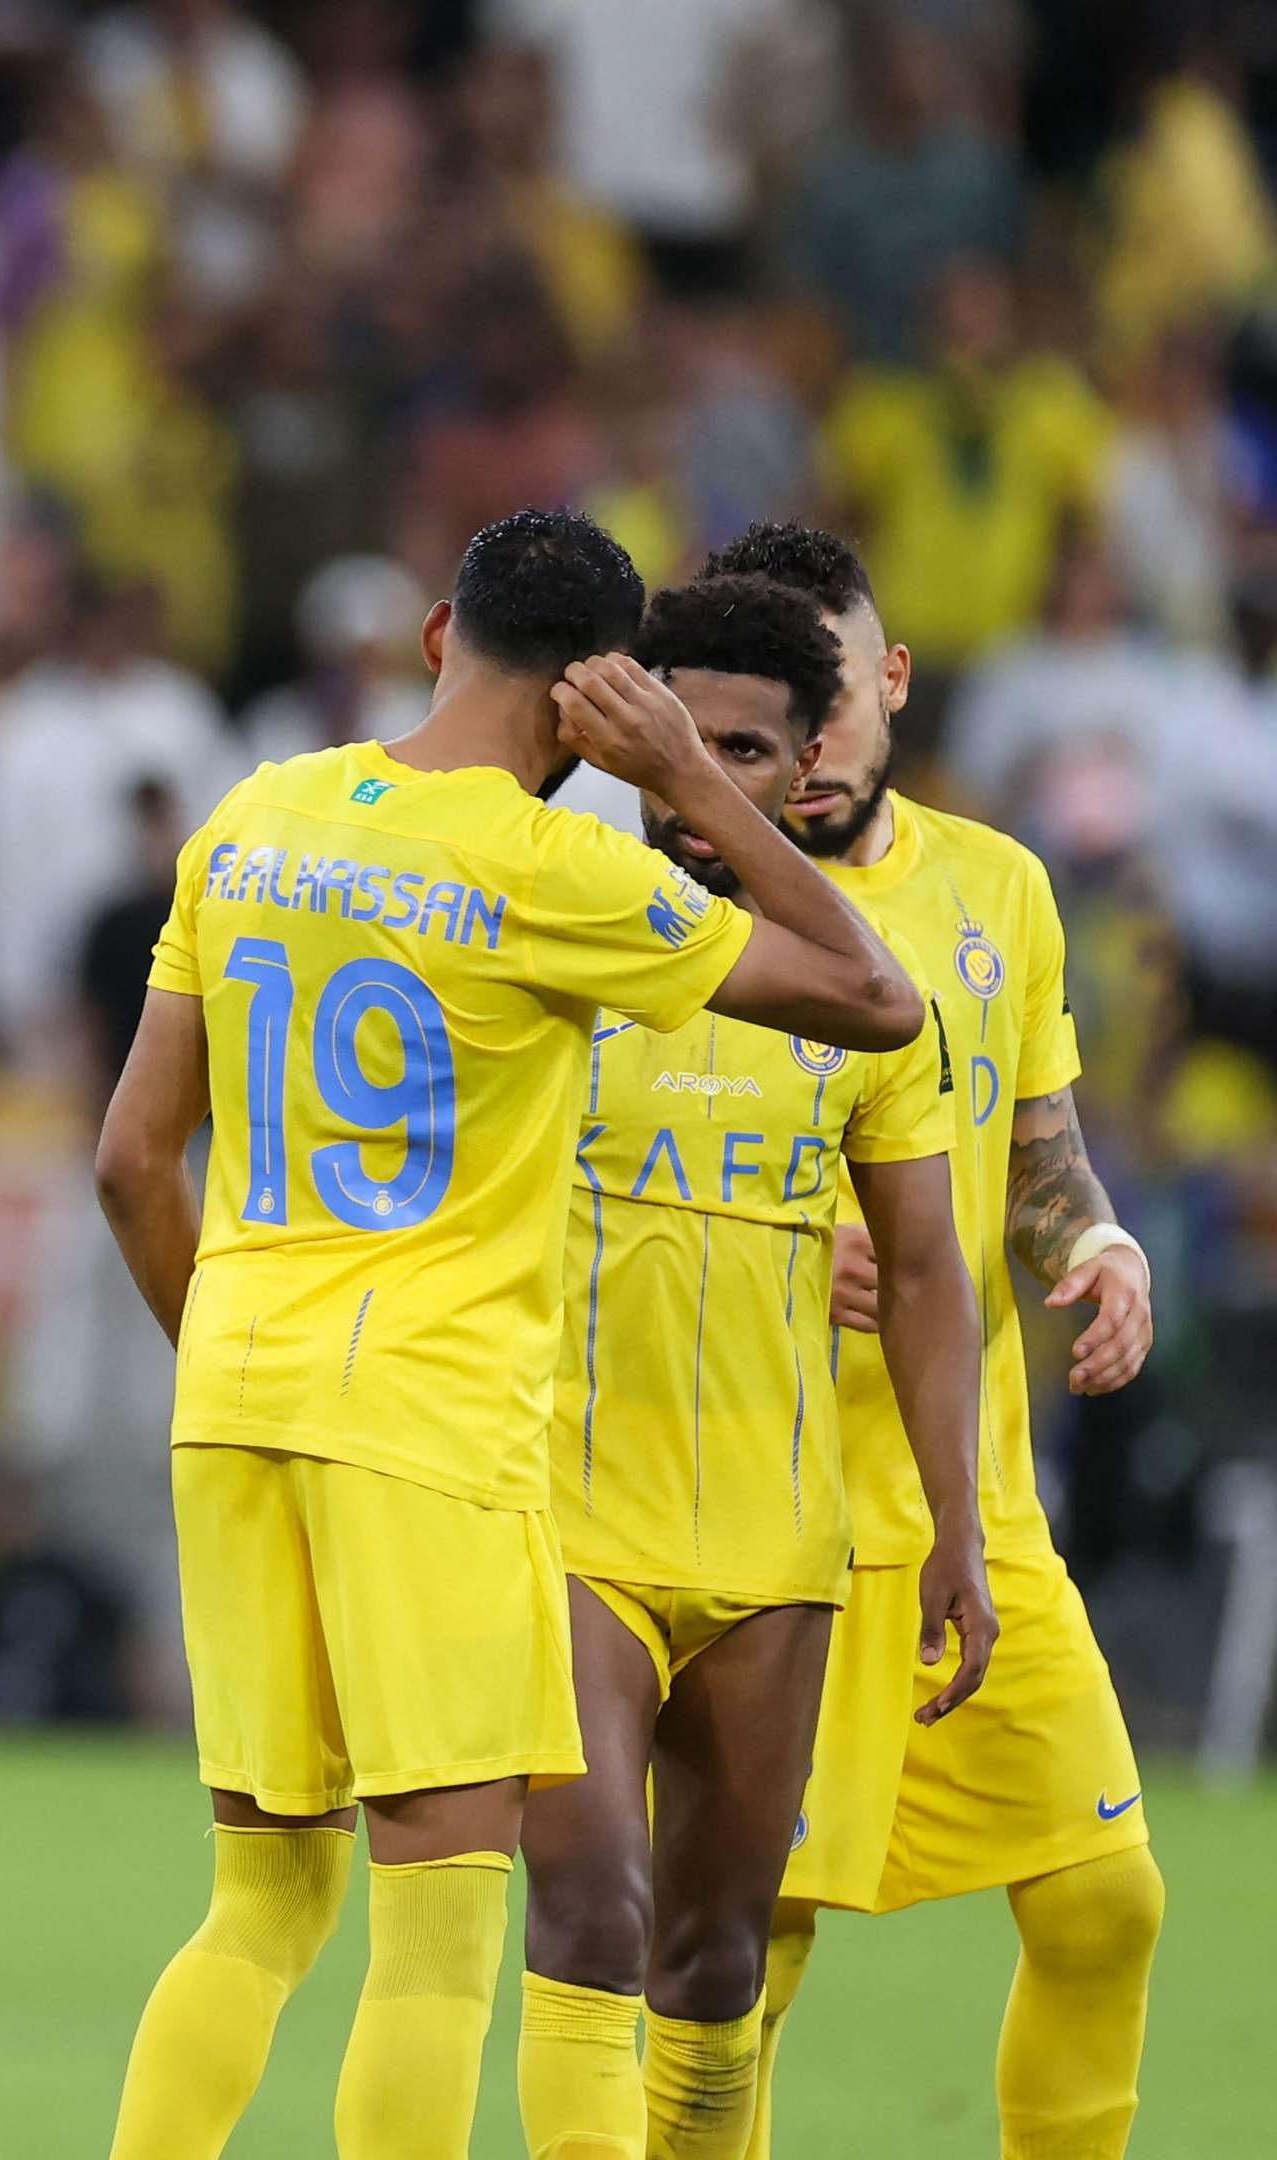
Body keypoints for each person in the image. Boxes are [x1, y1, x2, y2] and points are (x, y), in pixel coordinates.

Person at [90, 508, 922, 2160]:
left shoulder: (257, 819)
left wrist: (241, 1356)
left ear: (432, 638)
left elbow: (127, 1161)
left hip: (236, 1397)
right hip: (432, 1427)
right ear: (596, 698)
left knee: (259, 1899)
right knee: (440, 1930)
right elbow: (873, 995)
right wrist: (688, 780)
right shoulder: (556, 871)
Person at [514, 575, 997, 2160]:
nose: (690, 786)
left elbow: (927, 1272)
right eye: (672, 742)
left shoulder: (863, 988)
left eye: (735, 753)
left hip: (778, 1550)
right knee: (588, 1915)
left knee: (715, 1963)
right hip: (568, 1520)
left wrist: (957, 1533)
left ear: (803, 771)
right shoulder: (559, 912)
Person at [701, 524, 1168, 2160]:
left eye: (828, 697)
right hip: (769, 1512)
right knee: (746, 1963)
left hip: (975, 1508)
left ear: (887, 684)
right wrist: (762, 1233)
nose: (809, 746)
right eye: (766, 713)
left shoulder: (999, 890)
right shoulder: (669, 913)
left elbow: (1031, 1145)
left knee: (1108, 1906)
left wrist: (1093, 1241)